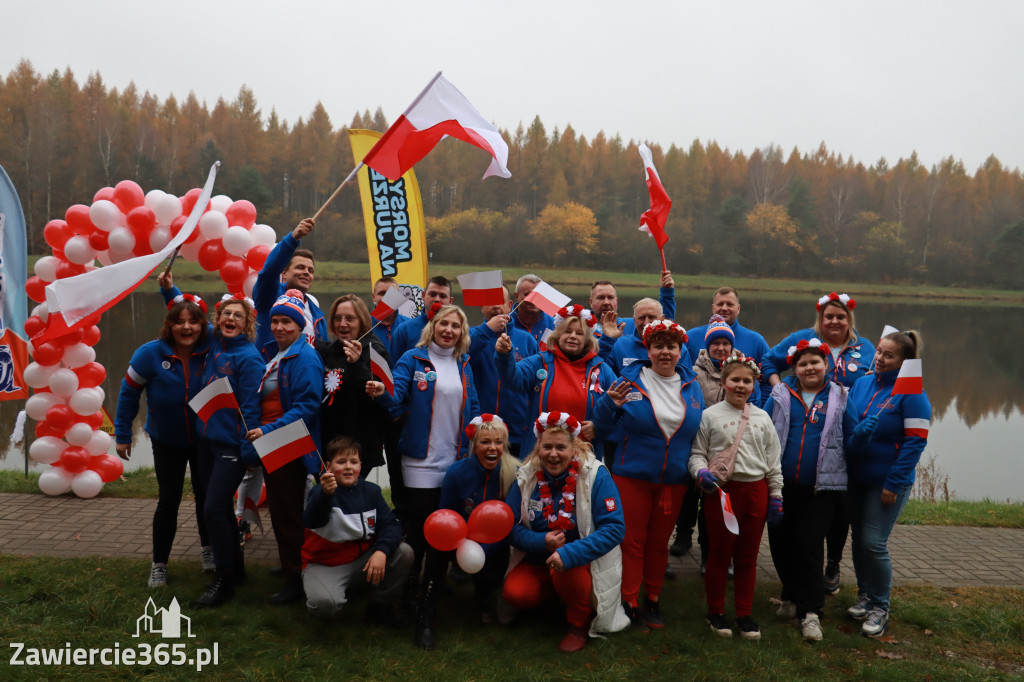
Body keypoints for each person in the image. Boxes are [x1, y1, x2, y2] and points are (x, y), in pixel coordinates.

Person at [366, 303, 480, 604]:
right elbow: (396, 392)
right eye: (444, 324)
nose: (449, 330)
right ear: (433, 326)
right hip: (420, 461)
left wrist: (478, 432)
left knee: (446, 526)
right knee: (418, 529)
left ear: (462, 333)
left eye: (456, 326)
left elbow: (475, 407)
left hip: (455, 462)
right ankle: (408, 586)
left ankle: (434, 584)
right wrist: (382, 391)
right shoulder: (412, 358)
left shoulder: (464, 363)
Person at [595, 320, 704, 631]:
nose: (665, 352)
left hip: (674, 480)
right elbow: (601, 426)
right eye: (659, 346)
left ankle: (653, 598)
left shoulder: (691, 385)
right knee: (631, 542)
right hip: (633, 476)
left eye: (671, 346)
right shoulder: (628, 381)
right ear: (648, 349)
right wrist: (607, 403)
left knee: (658, 544)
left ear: (681, 350)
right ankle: (629, 601)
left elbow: (696, 431)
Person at [765, 292, 875, 594]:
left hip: (845, 436)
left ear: (849, 318)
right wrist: (782, 389)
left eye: (841, 316)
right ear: (820, 319)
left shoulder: (865, 348)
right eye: (829, 316)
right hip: (807, 429)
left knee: (839, 511)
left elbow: (876, 382)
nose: (835, 321)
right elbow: (767, 361)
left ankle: (833, 565)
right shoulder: (804, 339)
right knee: (807, 512)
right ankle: (802, 580)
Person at [502, 412, 629, 652]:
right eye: (547, 446)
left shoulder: (595, 474)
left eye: (561, 447)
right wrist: (541, 541)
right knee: (515, 593)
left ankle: (578, 624)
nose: (553, 454)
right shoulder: (526, 474)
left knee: (564, 571)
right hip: (538, 557)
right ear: (538, 445)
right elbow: (509, 526)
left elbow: (614, 528)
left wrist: (569, 553)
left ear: (574, 447)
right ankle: (555, 599)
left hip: (579, 562)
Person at [115, 293, 213, 588]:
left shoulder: (214, 351)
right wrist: (122, 434)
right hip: (166, 440)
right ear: (169, 325)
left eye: (193, 321)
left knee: (207, 498)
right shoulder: (150, 353)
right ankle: (159, 564)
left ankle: (209, 551)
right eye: (179, 322)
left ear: (203, 326)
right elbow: (128, 393)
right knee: (168, 500)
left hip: (205, 439)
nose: (186, 328)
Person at [764, 338, 856, 642]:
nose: (809, 368)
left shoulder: (841, 396)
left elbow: (852, 436)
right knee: (780, 544)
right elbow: (763, 429)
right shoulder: (780, 394)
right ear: (795, 368)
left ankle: (811, 612)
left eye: (815, 362)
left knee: (809, 546)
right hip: (781, 485)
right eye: (803, 363)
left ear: (826, 365)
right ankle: (789, 594)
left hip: (823, 489)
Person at [689, 352, 782, 640]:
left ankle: (744, 614)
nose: (740, 386)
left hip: (756, 492)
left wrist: (776, 495)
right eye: (734, 380)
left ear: (754, 384)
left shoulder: (763, 417)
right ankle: (715, 612)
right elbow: (696, 455)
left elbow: (773, 461)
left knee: (747, 557)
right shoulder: (709, 416)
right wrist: (700, 473)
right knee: (719, 554)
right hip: (722, 494)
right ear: (724, 381)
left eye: (746, 381)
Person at [844, 330, 931, 638]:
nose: (879, 358)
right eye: (879, 351)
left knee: (873, 542)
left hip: (887, 481)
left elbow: (915, 444)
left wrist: (893, 483)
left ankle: (881, 606)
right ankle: (865, 594)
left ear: (905, 361)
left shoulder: (913, 393)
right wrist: (858, 438)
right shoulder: (862, 384)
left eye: (888, 355)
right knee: (858, 540)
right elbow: (849, 431)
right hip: (857, 477)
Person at [246, 289, 325, 606]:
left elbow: (307, 407)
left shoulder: (304, 358)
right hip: (275, 442)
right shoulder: (280, 353)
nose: (279, 327)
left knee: (288, 514)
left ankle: (297, 579)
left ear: (299, 326)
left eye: (287, 322)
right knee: (282, 511)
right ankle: (291, 564)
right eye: (276, 320)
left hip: (289, 444)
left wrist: (268, 429)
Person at [414, 414, 521, 649]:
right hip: (457, 540)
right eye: (485, 442)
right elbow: (445, 514)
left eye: (498, 442)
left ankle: (484, 597)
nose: (492, 448)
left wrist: (484, 549)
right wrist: (459, 544)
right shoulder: (456, 472)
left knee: (490, 578)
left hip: (493, 543)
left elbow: (511, 522)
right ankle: (426, 618)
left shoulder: (515, 473)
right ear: (474, 445)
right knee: (435, 552)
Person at [192, 296, 264, 607]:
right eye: (226, 314)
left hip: (231, 448)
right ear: (218, 318)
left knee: (213, 510)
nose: (230, 319)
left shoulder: (249, 358)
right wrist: (169, 289)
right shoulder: (215, 341)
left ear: (247, 322)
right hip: (207, 440)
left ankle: (223, 580)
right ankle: (236, 571)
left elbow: (251, 410)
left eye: (238, 315)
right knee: (217, 510)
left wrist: (249, 454)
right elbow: (186, 315)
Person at [301, 436, 413, 624]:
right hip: (326, 563)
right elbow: (312, 519)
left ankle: (379, 606)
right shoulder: (319, 492)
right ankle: (333, 590)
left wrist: (381, 552)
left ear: (360, 465)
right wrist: (324, 494)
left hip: (362, 559)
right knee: (325, 605)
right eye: (341, 461)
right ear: (328, 466)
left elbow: (391, 525)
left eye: (354, 462)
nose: (348, 467)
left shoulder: (372, 491)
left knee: (405, 552)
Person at [495, 305, 617, 459]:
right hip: (540, 455)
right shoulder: (540, 361)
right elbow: (513, 379)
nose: (573, 336)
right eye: (567, 331)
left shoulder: (601, 369)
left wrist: (599, 426)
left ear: (587, 339)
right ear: (557, 335)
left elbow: (621, 406)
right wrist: (505, 355)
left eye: (579, 333)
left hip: (584, 458)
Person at [316, 294, 390, 476]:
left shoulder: (375, 350)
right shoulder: (330, 350)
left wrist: (357, 364)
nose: (342, 324)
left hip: (358, 446)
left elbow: (380, 396)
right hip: (328, 442)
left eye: (349, 319)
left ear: (362, 321)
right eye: (337, 318)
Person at [468, 285, 539, 456]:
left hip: (518, 431)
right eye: (490, 302)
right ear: (481, 307)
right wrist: (487, 330)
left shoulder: (527, 340)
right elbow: (460, 357)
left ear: (510, 305)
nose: (495, 307)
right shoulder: (471, 335)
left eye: (500, 301)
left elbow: (537, 381)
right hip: (481, 427)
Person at [685, 287, 772, 406]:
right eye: (720, 304)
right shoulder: (691, 337)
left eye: (730, 304)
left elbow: (767, 381)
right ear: (713, 308)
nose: (724, 308)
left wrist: (760, 410)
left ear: (738, 308)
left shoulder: (757, 341)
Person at [252, 217, 327, 348]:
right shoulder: (270, 297)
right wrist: (293, 239)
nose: (306, 272)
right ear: (284, 274)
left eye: (310, 270)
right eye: (300, 267)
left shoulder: (318, 315)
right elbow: (268, 273)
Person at [597, 297, 692, 374]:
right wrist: (607, 339)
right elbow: (598, 372)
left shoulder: (676, 349)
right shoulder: (620, 345)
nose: (646, 322)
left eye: (651, 317)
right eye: (641, 318)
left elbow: (687, 382)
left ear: (662, 319)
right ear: (634, 320)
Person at [589, 271, 677, 340]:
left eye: (610, 297)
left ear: (616, 301)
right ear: (591, 302)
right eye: (600, 298)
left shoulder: (633, 324)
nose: (606, 302)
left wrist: (667, 293)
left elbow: (664, 323)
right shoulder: (581, 328)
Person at [387, 275, 453, 362]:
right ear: (423, 295)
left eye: (443, 296)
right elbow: (393, 368)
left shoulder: (457, 332)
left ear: (450, 301)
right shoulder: (404, 330)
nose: (437, 299)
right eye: (432, 294)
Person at [510, 274, 554, 344]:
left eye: (538, 295)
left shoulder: (554, 324)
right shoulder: (505, 323)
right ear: (516, 296)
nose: (533, 299)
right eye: (527, 294)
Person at [370, 277, 406, 349]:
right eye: (381, 293)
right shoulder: (364, 325)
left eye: (390, 293)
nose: (385, 298)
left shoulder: (408, 325)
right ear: (374, 297)